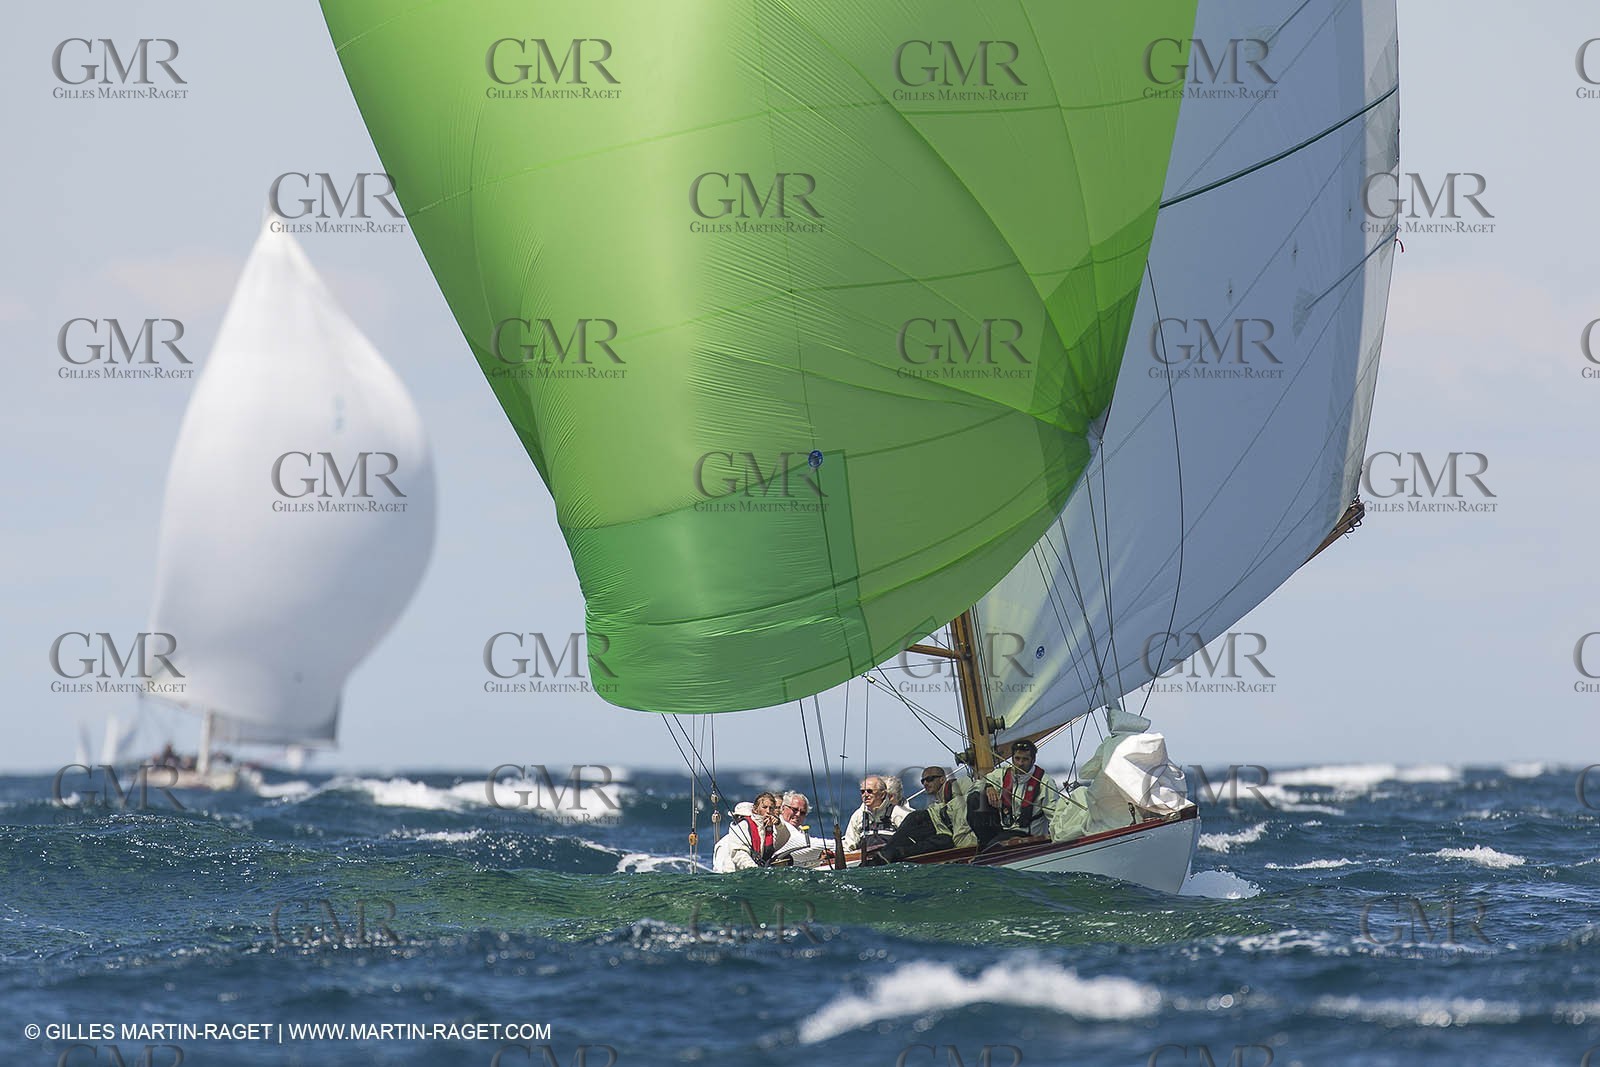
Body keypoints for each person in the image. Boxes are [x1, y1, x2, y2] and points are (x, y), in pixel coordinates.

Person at [873, 766, 976, 864]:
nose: (925, 783)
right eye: (923, 781)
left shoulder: (958, 785)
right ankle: (888, 855)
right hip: (939, 829)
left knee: (941, 839)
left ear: (942, 779)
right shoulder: (936, 803)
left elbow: (973, 798)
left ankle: (888, 855)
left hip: (936, 827)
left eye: (930, 779)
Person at [972, 740, 1061, 850]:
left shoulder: (1045, 782)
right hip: (1003, 831)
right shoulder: (1001, 775)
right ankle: (986, 844)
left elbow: (1055, 814)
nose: (1020, 763)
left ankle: (989, 849)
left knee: (994, 847)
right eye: (1017, 758)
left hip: (1029, 837)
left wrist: (1061, 839)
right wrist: (988, 787)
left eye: (1025, 759)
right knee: (975, 798)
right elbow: (976, 785)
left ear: (1033, 760)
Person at [715, 792, 808, 871]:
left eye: (771, 808)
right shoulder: (743, 825)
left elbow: (783, 841)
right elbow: (739, 854)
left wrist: (779, 825)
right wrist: (755, 871)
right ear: (755, 809)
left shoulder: (770, 828)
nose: (768, 811)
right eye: (765, 807)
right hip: (736, 874)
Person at [841, 775, 908, 852]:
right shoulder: (858, 815)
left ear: (882, 794)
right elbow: (849, 845)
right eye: (862, 792)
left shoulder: (897, 813)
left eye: (870, 791)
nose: (865, 795)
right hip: (864, 860)